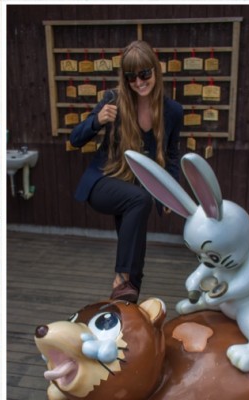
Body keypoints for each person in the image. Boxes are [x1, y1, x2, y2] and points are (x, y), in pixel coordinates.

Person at [69, 40, 183, 303]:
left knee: (136, 252)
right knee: (139, 202)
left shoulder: (173, 112)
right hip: (103, 183)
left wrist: (170, 193)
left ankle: (126, 304)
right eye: (132, 77)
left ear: (155, 71)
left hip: (136, 191)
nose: (139, 82)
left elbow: (173, 156)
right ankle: (120, 277)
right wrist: (96, 121)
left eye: (144, 74)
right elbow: (75, 139)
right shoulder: (113, 100)